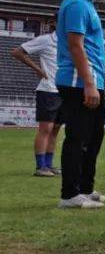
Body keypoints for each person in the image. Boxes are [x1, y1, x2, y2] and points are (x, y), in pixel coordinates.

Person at [55, 0, 105, 209]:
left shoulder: (88, 5)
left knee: (94, 137)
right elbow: (75, 45)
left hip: (91, 80)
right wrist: (89, 84)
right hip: (78, 80)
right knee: (78, 137)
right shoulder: (76, 5)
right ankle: (69, 194)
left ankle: (85, 188)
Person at [11, 28, 62, 177]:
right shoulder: (46, 40)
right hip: (48, 90)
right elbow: (17, 52)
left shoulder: (69, 41)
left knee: (55, 130)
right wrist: (37, 69)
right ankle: (40, 167)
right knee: (46, 129)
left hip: (63, 91)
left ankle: (49, 164)